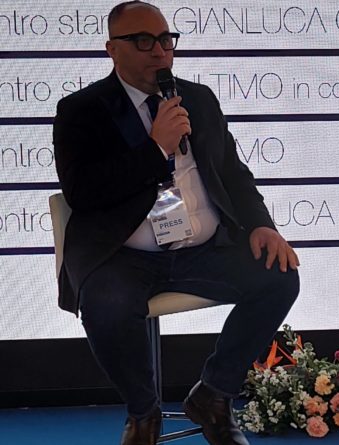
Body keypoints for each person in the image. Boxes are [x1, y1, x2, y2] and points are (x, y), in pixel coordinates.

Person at [52, 2, 300, 444]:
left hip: (203, 248)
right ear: (112, 49)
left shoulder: (197, 99)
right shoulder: (81, 110)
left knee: (279, 277)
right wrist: (154, 149)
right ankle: (143, 413)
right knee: (106, 305)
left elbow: (233, 174)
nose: (159, 50)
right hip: (124, 254)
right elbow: (82, 193)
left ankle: (214, 395)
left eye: (166, 39)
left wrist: (262, 225)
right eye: (143, 40)